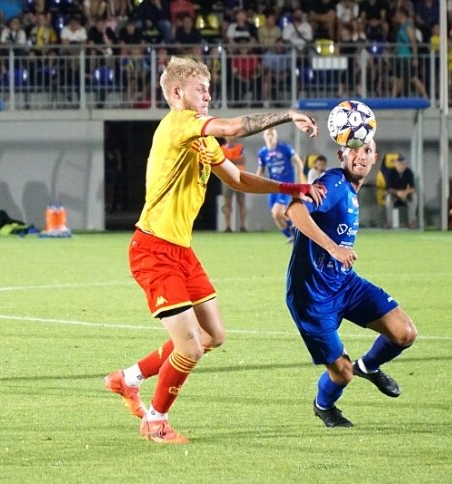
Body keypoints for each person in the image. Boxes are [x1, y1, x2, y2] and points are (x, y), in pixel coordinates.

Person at [103, 56, 322, 445]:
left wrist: (294, 189)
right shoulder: (178, 124)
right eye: (200, 89)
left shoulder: (201, 136)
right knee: (191, 347)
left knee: (212, 334)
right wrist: (288, 115)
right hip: (153, 249)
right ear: (176, 93)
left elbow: (237, 179)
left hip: (181, 251)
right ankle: (155, 420)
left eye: (208, 88)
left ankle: (128, 378)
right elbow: (236, 126)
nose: (208, 95)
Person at [285, 138, 418, 428]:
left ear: (375, 158)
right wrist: (333, 247)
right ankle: (324, 405)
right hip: (312, 297)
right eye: (354, 150)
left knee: (404, 333)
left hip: (345, 283)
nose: (360, 156)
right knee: (342, 373)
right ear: (341, 155)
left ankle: (368, 366)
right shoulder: (332, 183)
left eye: (367, 151)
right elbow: (294, 211)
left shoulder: (352, 191)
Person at [255, 127, 306, 241]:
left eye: (273, 134)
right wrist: (254, 182)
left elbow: (297, 160)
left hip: (286, 185)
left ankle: (298, 227)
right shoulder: (263, 152)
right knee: (276, 216)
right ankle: (292, 236)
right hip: (273, 186)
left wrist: (300, 177)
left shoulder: (284, 148)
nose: (270, 136)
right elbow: (261, 169)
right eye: (268, 134)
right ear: (264, 136)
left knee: (276, 213)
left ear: (276, 135)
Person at [220, 136, 247, 232]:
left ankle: (243, 226)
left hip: (239, 177)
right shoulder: (222, 149)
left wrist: (228, 161)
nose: (230, 138)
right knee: (227, 203)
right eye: (228, 137)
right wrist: (234, 161)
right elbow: (220, 162)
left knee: (241, 202)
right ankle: (227, 226)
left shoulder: (240, 147)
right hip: (227, 178)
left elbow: (242, 160)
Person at [384, 154, 418, 229]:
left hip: (405, 195)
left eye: (403, 164)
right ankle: (389, 222)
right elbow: (388, 188)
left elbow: (412, 188)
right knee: (388, 199)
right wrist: (397, 193)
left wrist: (405, 193)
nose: (401, 165)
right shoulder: (391, 172)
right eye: (399, 163)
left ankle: (411, 222)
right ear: (396, 164)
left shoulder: (409, 172)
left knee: (414, 197)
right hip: (394, 195)